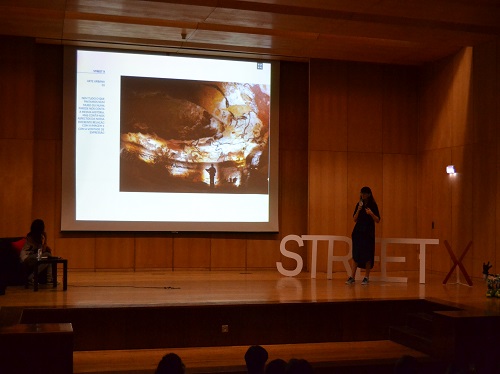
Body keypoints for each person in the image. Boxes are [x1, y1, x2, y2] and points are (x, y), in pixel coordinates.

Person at [345, 186, 380, 286]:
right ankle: (352, 276)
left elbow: (377, 220)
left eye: (364, 193)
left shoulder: (373, 205)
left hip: (368, 233)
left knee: (368, 254)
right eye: (361, 193)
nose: (362, 195)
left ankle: (366, 277)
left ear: (369, 194)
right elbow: (354, 219)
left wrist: (371, 213)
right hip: (358, 232)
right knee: (356, 254)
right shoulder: (359, 204)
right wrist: (358, 210)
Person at [20, 219, 52, 283]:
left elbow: (43, 250)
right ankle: (32, 277)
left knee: (48, 259)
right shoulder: (31, 237)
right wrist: (45, 239)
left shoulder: (37, 236)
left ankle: (49, 279)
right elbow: (41, 251)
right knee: (48, 255)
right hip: (27, 258)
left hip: (34, 257)